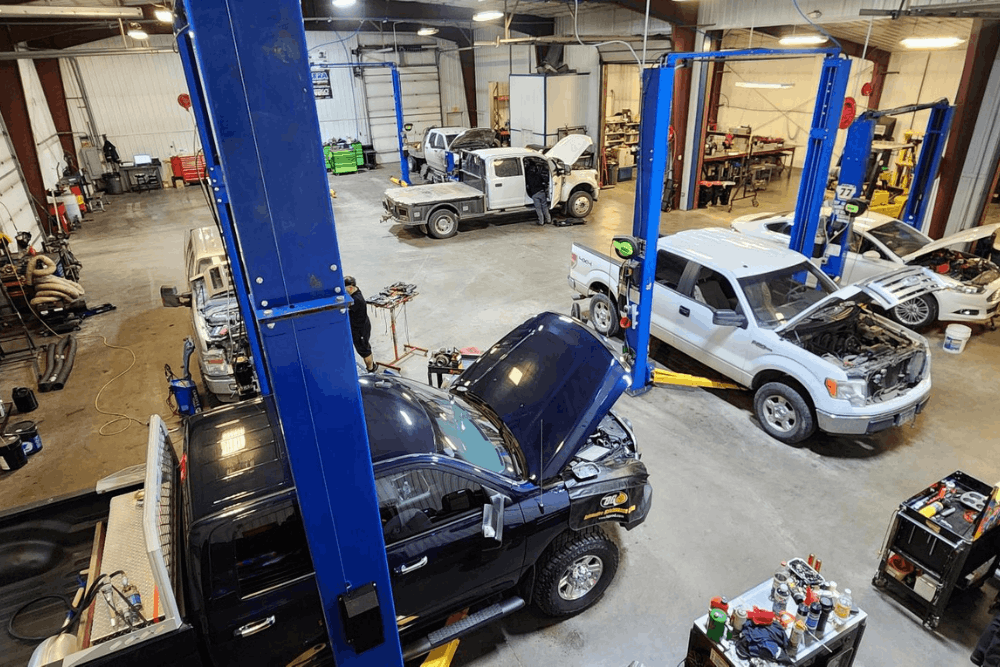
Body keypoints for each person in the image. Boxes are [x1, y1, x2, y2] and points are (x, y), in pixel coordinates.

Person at [345, 276, 377, 372]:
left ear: (351, 287)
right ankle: (371, 366)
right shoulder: (354, 291)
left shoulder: (357, 299)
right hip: (357, 326)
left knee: (364, 350)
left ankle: (371, 369)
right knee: (362, 348)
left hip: (360, 329)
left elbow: (346, 307)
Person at [525, 159, 551, 226]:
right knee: (544, 206)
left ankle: (541, 222)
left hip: (534, 194)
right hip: (541, 192)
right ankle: (548, 219)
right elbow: (544, 181)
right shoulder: (538, 175)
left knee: (538, 208)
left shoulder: (528, 177)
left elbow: (527, 186)